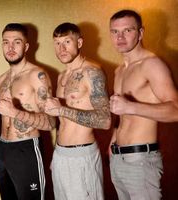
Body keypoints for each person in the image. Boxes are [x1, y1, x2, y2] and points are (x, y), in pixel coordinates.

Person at [108, 9, 178, 200]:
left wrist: (131, 107)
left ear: (140, 33)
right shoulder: (119, 70)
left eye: (127, 30)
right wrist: (114, 139)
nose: (120, 37)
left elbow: (176, 110)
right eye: (114, 32)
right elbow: (121, 113)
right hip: (118, 158)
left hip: (140, 161)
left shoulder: (152, 64)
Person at [0, 23, 55, 200]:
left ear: (26, 46)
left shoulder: (37, 75)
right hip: (4, 150)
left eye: (16, 42)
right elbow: (3, 120)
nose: (10, 47)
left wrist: (16, 113)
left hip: (27, 148)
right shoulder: (1, 79)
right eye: (5, 42)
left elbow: (51, 122)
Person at [44, 23, 111, 200]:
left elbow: (105, 121)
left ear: (79, 43)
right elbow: (62, 122)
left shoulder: (92, 72)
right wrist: (57, 154)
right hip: (60, 155)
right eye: (57, 43)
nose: (61, 48)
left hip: (82, 156)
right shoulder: (61, 76)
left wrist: (62, 110)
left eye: (67, 41)